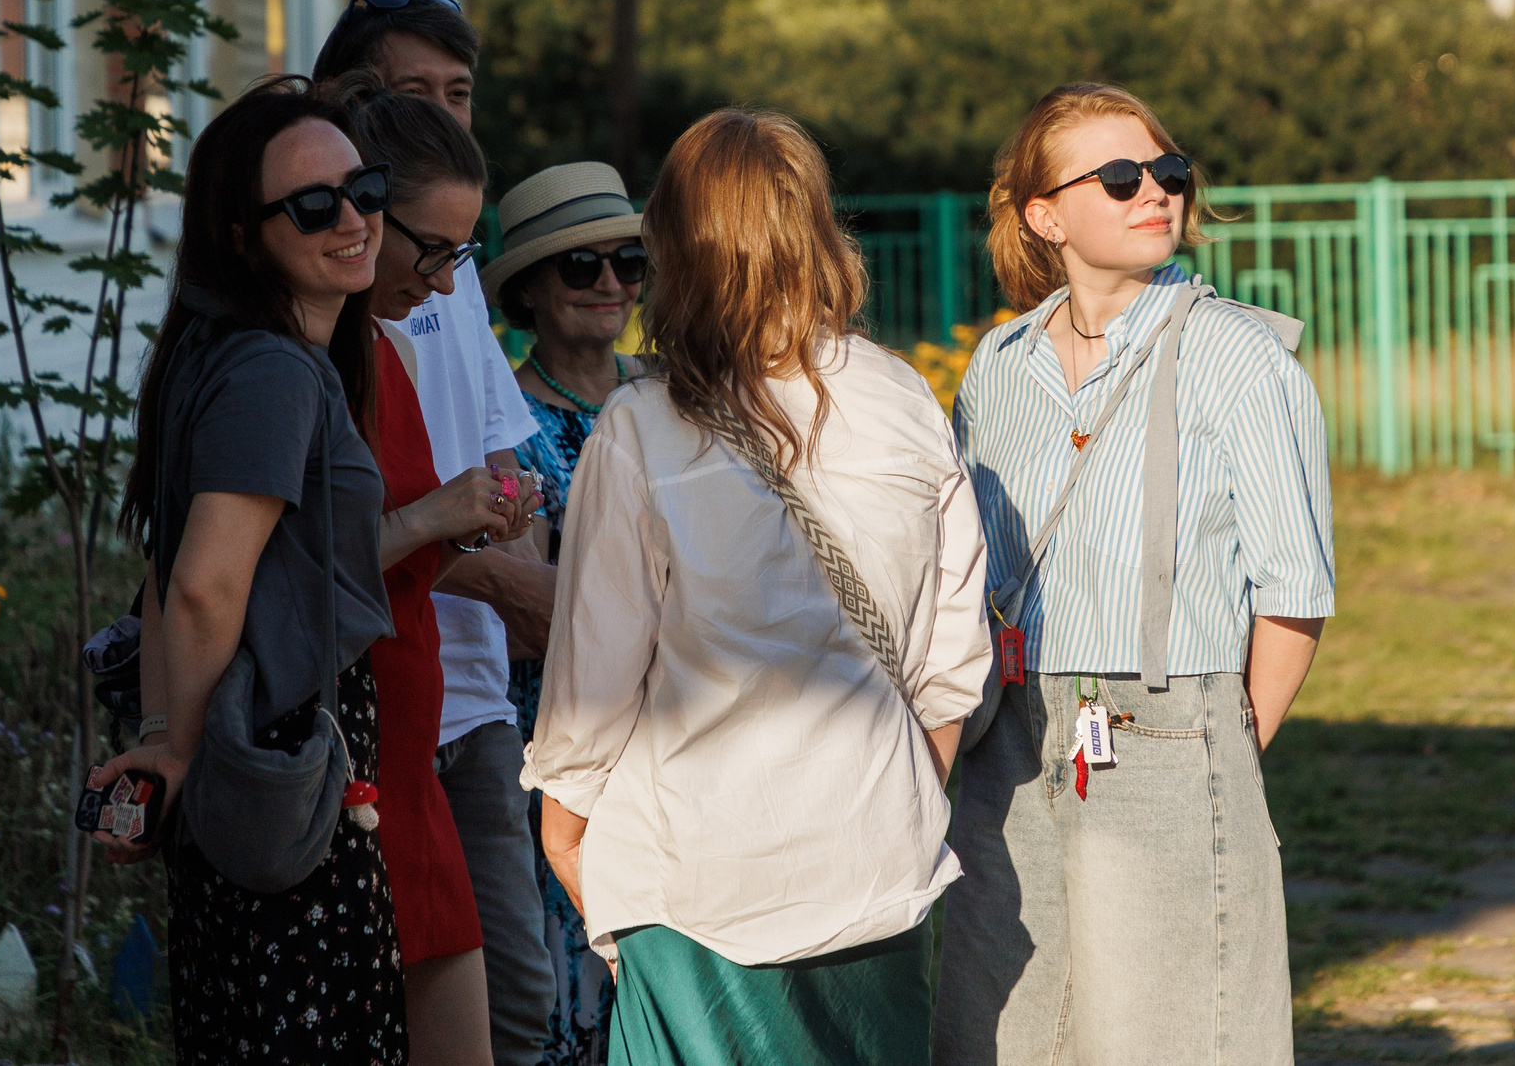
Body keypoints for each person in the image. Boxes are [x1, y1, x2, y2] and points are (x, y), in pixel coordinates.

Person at [525, 108, 991, 1066]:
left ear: (676, 252)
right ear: (819, 232)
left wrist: (565, 835)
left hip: (697, 879)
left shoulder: (641, 427)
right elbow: (953, 663)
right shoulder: (902, 396)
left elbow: (594, 686)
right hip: (874, 865)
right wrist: (899, 797)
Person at [935, 82, 1336, 1066]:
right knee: (1001, 1032)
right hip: (1006, 739)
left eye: (1169, 172)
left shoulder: (1241, 358)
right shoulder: (996, 364)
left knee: (1170, 1039)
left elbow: (1294, 594)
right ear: (1044, 215)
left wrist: (1214, 748)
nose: (1154, 192)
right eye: (1119, 178)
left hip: (1166, 728)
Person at [72, 79, 405, 1062]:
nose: (353, 218)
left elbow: (166, 571)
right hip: (279, 773)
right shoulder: (272, 370)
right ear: (242, 233)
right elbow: (204, 583)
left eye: (365, 188)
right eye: (312, 205)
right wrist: (172, 749)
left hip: (246, 771)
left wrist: (166, 745)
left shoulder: (216, 353)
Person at [313, 0, 556, 1066]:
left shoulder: (425, 289)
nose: (442, 115)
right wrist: (474, 549)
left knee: (506, 998)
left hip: (451, 703)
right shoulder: (318, 347)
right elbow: (288, 565)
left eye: (459, 94)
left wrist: (508, 546)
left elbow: (498, 464)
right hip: (357, 726)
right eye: (415, 96)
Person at [484, 161, 651, 1065]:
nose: (613, 285)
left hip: (681, 735)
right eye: (582, 266)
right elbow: (536, 612)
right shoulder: (507, 418)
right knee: (576, 976)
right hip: (566, 738)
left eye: (629, 264)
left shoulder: (672, 389)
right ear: (532, 289)